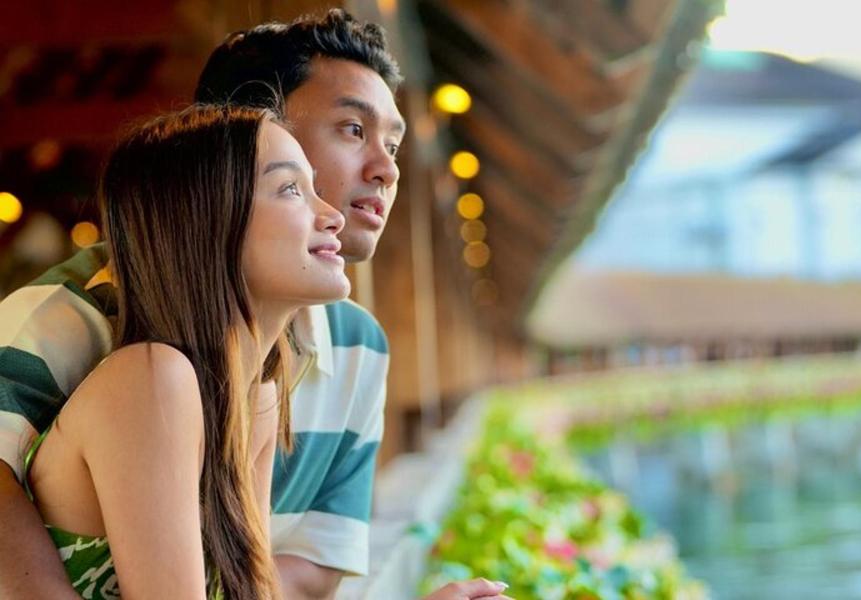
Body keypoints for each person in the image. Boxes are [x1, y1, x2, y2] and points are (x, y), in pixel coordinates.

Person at [0, 9, 511, 600]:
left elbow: (291, 574)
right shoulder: (94, 336)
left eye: (393, 144)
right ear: (225, 154)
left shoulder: (268, 390)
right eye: (352, 129)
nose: (387, 169)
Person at [26, 104, 347, 598]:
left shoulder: (254, 400)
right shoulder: (149, 379)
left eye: (315, 189)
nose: (333, 216)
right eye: (290, 189)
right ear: (206, 220)